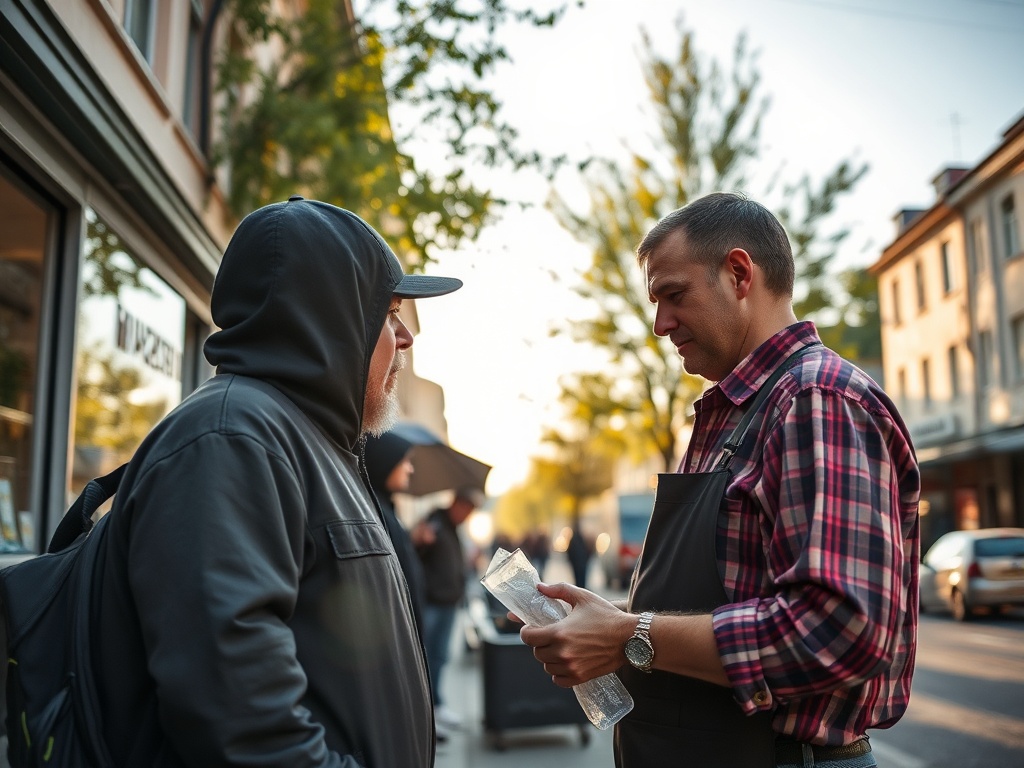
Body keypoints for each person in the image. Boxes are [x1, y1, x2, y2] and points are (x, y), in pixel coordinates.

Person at [519, 192, 921, 768]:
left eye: (672, 295)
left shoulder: (816, 399)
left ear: (738, 274)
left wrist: (633, 635)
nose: (660, 325)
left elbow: (839, 631)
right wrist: (606, 621)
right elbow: (731, 595)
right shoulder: (736, 411)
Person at [91, 196, 462, 766]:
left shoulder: (303, 440)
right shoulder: (232, 440)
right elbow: (243, 729)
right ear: (332, 320)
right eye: (388, 315)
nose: (405, 339)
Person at [414, 486, 485, 731]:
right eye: (466, 509)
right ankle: (427, 710)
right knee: (428, 656)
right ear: (457, 504)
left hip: (448, 601)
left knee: (440, 656)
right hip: (433, 601)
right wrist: (418, 541)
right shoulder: (434, 521)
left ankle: (436, 705)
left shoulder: (452, 528)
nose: (467, 515)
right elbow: (414, 554)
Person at [363, 430, 426, 634]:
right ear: (385, 462)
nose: (410, 469)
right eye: (404, 461)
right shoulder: (376, 513)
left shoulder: (387, 509)